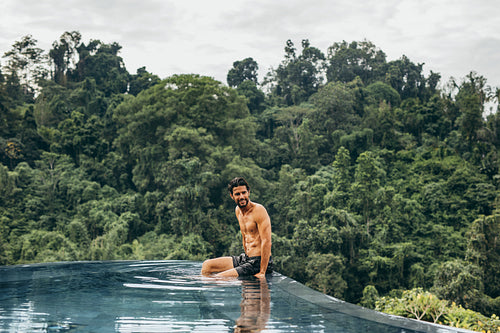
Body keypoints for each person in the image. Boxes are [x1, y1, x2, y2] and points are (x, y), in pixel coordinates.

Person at [201, 177, 272, 278]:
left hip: (258, 262)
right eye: (237, 194)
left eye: (244, 192)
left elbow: (267, 241)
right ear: (232, 196)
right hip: (246, 259)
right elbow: (244, 236)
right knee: (207, 266)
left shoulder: (259, 210)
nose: (242, 197)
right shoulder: (238, 211)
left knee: (218, 278)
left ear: (248, 192)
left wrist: (262, 272)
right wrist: (245, 260)